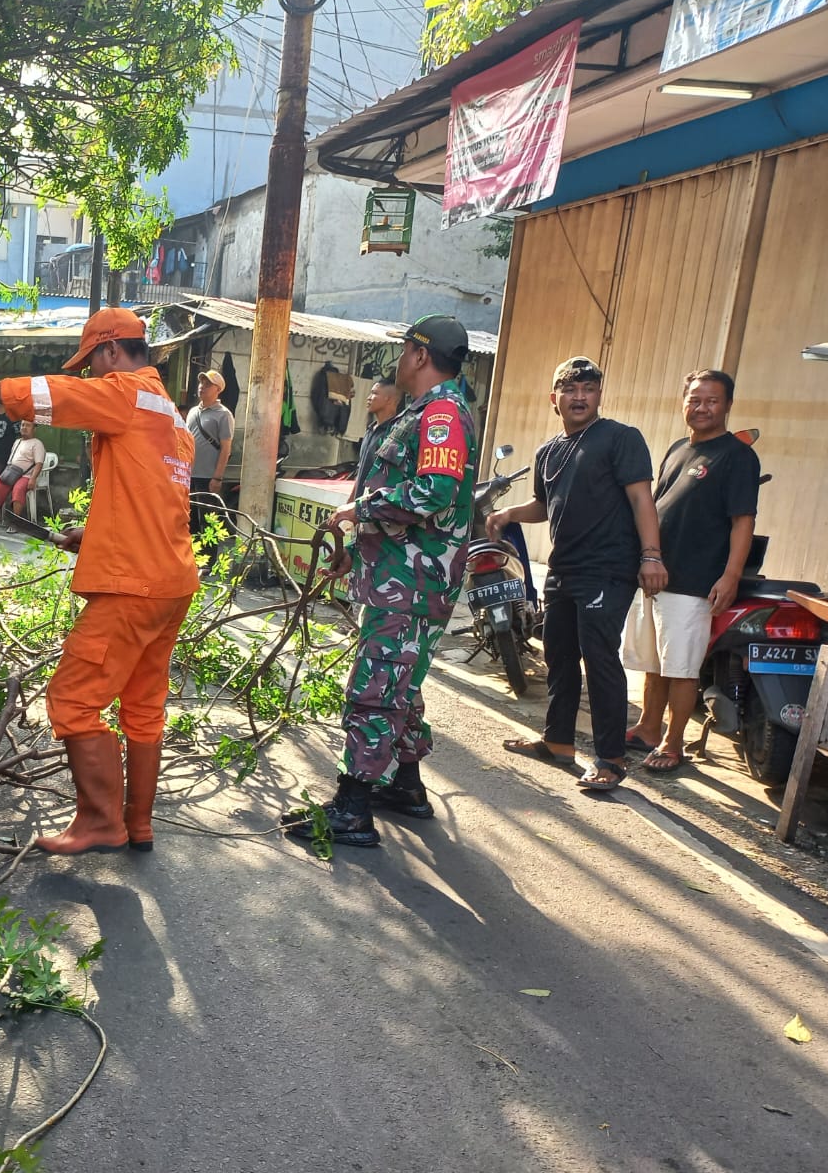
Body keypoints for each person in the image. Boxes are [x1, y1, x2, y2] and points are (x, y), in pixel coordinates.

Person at [0, 307, 199, 854]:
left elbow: (55, 396)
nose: (89, 374)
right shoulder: (174, 419)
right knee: (143, 707)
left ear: (111, 351)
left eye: (91, 362)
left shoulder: (125, 392)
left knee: (72, 700)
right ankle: (138, 825)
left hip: (132, 587)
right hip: (170, 582)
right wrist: (95, 531)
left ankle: (100, 823)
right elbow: (156, 501)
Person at [283, 315, 478, 847]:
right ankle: (406, 787)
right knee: (401, 685)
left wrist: (357, 511)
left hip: (413, 583)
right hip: (400, 575)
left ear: (419, 355)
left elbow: (433, 491)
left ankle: (352, 807)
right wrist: (360, 544)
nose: (398, 361)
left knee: (376, 688)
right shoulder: (419, 414)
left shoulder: (440, 415)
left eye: (404, 350)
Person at [489, 356, 667, 792]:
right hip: (563, 568)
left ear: (599, 395)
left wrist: (651, 556)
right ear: (555, 399)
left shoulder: (620, 439)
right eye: (570, 390)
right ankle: (559, 742)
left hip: (607, 569)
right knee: (559, 654)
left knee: (599, 658)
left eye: (588, 388)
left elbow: (643, 500)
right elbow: (544, 505)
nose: (580, 397)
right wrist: (509, 511)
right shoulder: (549, 450)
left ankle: (610, 758)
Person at [622, 369, 759, 772]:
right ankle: (648, 727)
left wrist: (730, 575)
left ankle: (672, 741)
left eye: (711, 400)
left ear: (728, 405)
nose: (701, 407)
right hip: (654, 575)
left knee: (681, 667)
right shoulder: (680, 448)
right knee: (654, 662)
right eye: (694, 399)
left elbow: (742, 521)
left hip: (695, 581)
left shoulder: (737, 457)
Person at [186, 368, 234, 544]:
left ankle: (210, 561)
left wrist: (217, 477)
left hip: (208, 476)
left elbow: (226, 448)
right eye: (201, 383)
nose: (202, 387)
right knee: (189, 518)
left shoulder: (223, 415)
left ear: (218, 390)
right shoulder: (192, 412)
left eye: (208, 384)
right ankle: (192, 557)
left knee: (208, 519)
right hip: (189, 474)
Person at [0, 419, 47, 530]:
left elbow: (39, 463)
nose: (24, 427)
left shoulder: (37, 443)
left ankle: (15, 523)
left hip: (26, 476)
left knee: (18, 490)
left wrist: (33, 479)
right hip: (11, 472)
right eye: (23, 425)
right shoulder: (17, 442)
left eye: (28, 426)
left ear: (34, 429)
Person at [351, 374, 401, 500]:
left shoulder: (394, 434)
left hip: (376, 508)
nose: (368, 398)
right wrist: (349, 502)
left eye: (374, 393)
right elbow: (361, 470)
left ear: (389, 399)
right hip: (360, 507)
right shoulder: (370, 430)